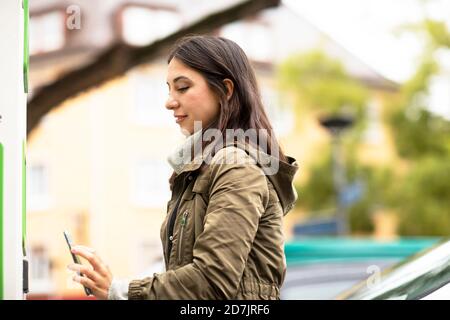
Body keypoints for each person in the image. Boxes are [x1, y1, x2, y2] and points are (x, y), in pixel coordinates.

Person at [67, 35, 299, 300]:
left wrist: (119, 290)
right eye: (169, 89)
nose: (169, 101)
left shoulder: (237, 167)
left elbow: (212, 281)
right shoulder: (201, 168)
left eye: (183, 87)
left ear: (225, 90)